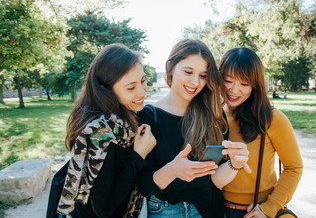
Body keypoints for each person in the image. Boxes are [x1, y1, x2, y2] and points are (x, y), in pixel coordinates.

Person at [136, 39, 251, 218]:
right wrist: (172, 170)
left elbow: (215, 179)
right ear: (170, 67)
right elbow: (141, 185)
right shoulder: (148, 116)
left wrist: (234, 164)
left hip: (208, 211)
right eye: (188, 72)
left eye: (203, 75)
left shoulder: (214, 115)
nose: (195, 82)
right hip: (163, 212)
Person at [55, 43, 157, 217]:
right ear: (106, 90)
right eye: (131, 87)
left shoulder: (122, 122)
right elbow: (104, 209)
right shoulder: (102, 134)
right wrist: (138, 156)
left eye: (143, 80)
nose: (142, 92)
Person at [219, 47, 303, 218]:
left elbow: (294, 167)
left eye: (244, 84)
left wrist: (269, 208)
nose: (234, 90)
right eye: (228, 81)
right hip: (217, 209)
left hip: (256, 211)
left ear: (255, 85)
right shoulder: (213, 115)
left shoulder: (271, 118)